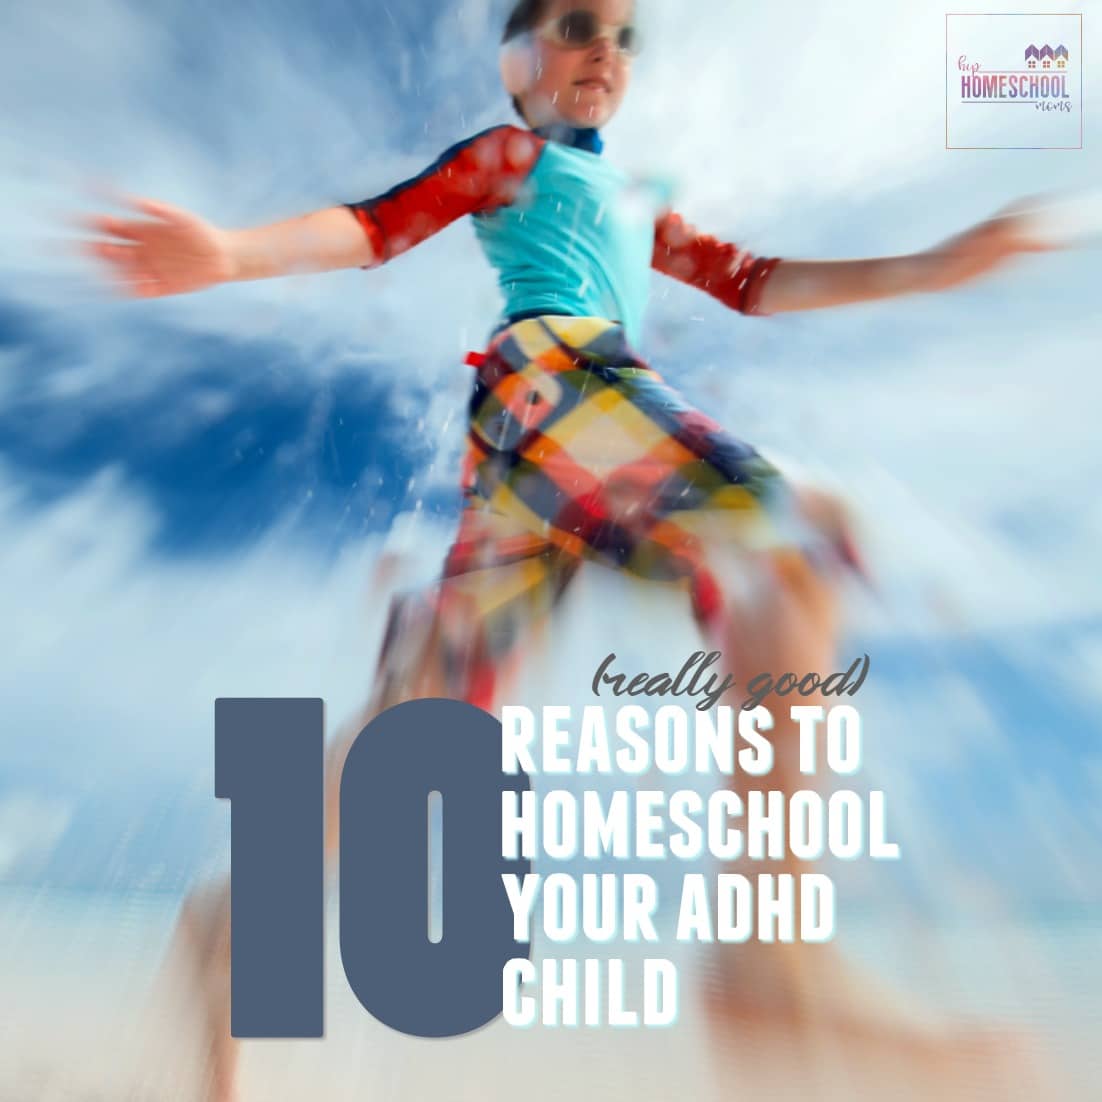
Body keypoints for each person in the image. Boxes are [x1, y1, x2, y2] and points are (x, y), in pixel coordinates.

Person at [82, 2, 1063, 1099]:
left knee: (433, 720)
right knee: (782, 541)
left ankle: (235, 920)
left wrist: (931, 264)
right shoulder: (508, 156)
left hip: (526, 445)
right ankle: (769, 951)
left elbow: (753, 283)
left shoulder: (634, 201)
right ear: (517, 59)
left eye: (626, 36)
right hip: (560, 383)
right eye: (576, 24)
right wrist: (225, 253)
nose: (606, 47)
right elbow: (374, 225)